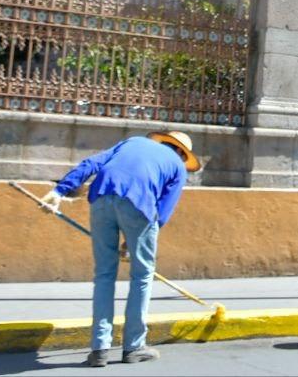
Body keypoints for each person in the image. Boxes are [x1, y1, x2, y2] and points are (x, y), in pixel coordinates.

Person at [40, 130, 200, 367]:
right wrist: (135, 241)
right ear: (181, 152)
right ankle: (134, 347)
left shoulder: (133, 142)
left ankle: (99, 349)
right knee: (142, 276)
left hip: (101, 198)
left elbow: (91, 164)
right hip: (140, 206)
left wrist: (59, 191)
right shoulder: (176, 165)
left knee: (104, 274)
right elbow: (163, 212)